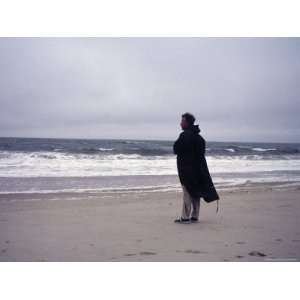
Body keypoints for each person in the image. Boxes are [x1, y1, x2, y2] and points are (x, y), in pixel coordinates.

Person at [173, 112, 219, 224]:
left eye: (182, 121)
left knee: (187, 192)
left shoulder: (184, 135)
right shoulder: (200, 138)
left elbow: (176, 149)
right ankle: (195, 216)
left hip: (186, 169)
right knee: (195, 192)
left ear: (187, 122)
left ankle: (184, 217)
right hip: (198, 170)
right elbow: (200, 156)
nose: (180, 123)